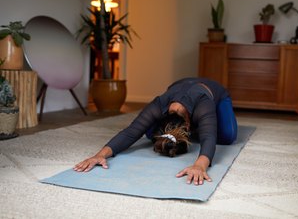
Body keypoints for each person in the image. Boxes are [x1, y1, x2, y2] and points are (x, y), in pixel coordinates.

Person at [74, 77, 238, 185]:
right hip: (179, 84)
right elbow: (131, 132)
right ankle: (170, 130)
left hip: (214, 91)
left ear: (188, 124)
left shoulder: (203, 105)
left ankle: (197, 125)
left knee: (226, 135)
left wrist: (200, 166)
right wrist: (100, 155)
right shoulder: (158, 105)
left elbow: (209, 137)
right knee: (147, 130)